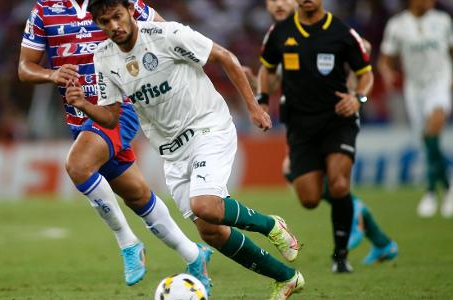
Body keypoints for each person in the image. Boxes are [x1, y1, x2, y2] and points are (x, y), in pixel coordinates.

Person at [67, 0, 305, 298]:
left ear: (130, 11)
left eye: (117, 16)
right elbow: (112, 117)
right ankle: (286, 278)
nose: (114, 26)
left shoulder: (167, 34)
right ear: (97, 24)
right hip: (172, 151)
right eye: (105, 22)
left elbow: (225, 57)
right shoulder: (103, 57)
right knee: (211, 231)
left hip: (208, 126)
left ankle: (271, 224)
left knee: (205, 205)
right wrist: (84, 105)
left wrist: (254, 108)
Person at [17, 0, 212, 288]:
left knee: (78, 165)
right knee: (137, 196)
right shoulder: (45, 10)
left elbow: (166, 34)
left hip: (121, 107)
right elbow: (24, 67)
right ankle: (194, 255)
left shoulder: (125, 3)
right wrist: (52, 74)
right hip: (78, 117)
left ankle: (128, 243)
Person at [258, 0, 398, 273]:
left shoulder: (342, 32)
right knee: (309, 199)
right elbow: (268, 69)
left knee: (339, 184)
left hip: (338, 119)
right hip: (300, 125)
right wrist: (262, 100)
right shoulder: (280, 32)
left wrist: (358, 98)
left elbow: (365, 74)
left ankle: (340, 255)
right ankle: (357, 211)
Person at [378, 0, 453, 218]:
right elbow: (386, 59)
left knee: (434, 128)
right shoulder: (397, 25)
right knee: (428, 141)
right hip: (414, 89)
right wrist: (387, 72)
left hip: (439, 84)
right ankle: (447, 188)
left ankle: (430, 192)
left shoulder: (443, 21)